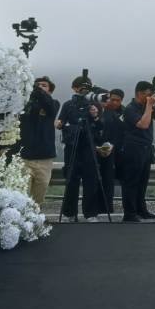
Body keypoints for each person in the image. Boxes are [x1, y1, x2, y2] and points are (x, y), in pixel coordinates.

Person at [57, 76, 104, 222]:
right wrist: (61, 124)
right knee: (71, 180)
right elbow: (60, 122)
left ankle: (91, 213)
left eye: (87, 88)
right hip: (72, 146)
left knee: (91, 180)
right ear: (74, 88)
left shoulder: (93, 104)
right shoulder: (68, 105)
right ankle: (69, 213)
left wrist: (95, 116)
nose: (84, 91)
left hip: (89, 146)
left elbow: (100, 126)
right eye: (81, 87)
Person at [119, 80, 155, 223]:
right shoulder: (130, 109)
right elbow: (143, 124)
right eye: (147, 94)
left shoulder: (146, 107)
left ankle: (141, 210)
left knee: (142, 182)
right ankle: (129, 213)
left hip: (146, 148)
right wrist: (149, 106)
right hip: (133, 148)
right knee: (131, 182)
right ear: (139, 93)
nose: (149, 97)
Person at [19, 76, 59, 209]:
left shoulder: (54, 103)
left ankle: (35, 219)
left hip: (44, 159)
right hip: (25, 158)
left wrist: (37, 90)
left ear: (50, 90)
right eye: (37, 85)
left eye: (44, 85)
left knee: (39, 196)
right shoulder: (26, 105)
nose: (40, 87)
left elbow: (49, 106)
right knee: (22, 196)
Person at [96, 89, 125, 219]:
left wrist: (112, 145)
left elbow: (122, 132)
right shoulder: (99, 110)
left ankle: (107, 206)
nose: (114, 102)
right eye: (112, 99)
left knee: (108, 179)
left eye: (117, 100)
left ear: (121, 101)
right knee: (95, 179)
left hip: (113, 151)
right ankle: (94, 205)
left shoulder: (123, 113)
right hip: (96, 149)